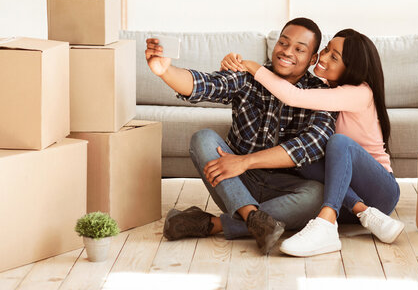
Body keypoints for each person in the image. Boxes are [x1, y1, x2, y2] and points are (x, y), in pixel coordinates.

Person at [145, 18, 337, 254]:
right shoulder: (248, 76)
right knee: (203, 138)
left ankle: (212, 224)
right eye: (283, 43)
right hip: (233, 181)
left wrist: (244, 161)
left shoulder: (321, 93)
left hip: (283, 186)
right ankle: (252, 217)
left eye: (299, 49)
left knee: (318, 195)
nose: (287, 52)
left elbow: (310, 145)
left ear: (313, 58)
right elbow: (206, 84)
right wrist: (165, 71)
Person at [219, 28, 404, 257]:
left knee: (338, 143)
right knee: (304, 156)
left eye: (333, 56)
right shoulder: (325, 89)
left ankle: (326, 225)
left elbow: (293, 96)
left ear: (351, 68)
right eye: (326, 49)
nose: (323, 57)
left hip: (379, 192)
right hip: (343, 200)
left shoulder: (360, 92)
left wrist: (251, 66)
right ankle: (361, 212)